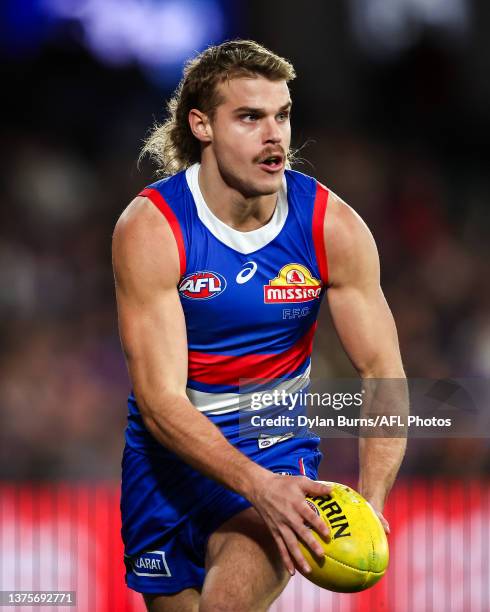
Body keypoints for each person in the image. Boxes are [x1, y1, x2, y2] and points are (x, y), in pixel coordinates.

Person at [112, 39, 407, 612]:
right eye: (249, 117)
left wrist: (370, 500)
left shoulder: (331, 227)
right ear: (202, 125)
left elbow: (383, 373)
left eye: (282, 115)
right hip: (168, 456)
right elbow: (160, 402)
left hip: (276, 443)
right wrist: (256, 485)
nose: (274, 135)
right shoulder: (152, 228)